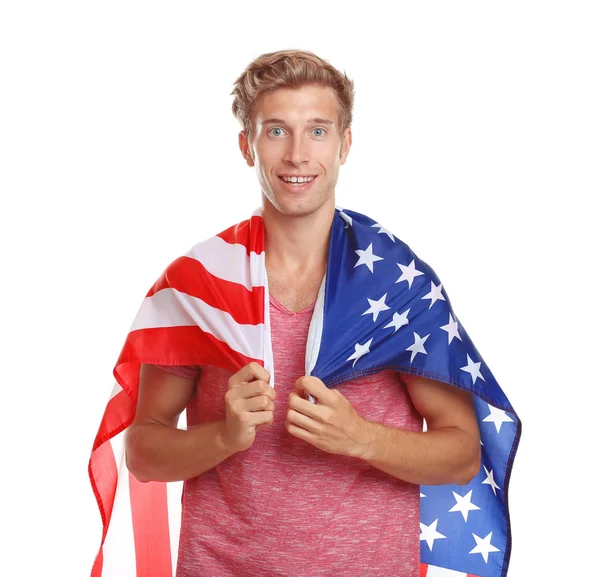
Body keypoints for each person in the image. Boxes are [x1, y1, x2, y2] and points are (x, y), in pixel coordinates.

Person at [124, 49, 481, 577]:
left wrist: (361, 437)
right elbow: (143, 450)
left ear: (345, 144)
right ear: (247, 146)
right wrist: (223, 436)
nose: (297, 154)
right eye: (276, 131)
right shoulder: (198, 284)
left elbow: (462, 454)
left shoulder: (398, 285)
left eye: (317, 131)